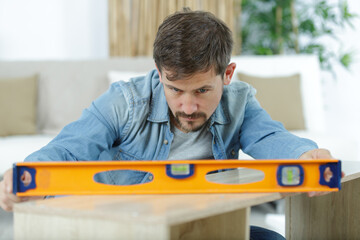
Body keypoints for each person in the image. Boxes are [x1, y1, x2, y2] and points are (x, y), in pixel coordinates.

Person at [0, 9, 340, 239]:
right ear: (159, 72)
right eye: (174, 89)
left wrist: (309, 155)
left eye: (203, 90)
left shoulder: (241, 102)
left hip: (204, 227)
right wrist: (23, 175)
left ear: (228, 75)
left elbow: (271, 138)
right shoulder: (125, 102)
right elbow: (68, 149)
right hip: (135, 230)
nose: (187, 106)